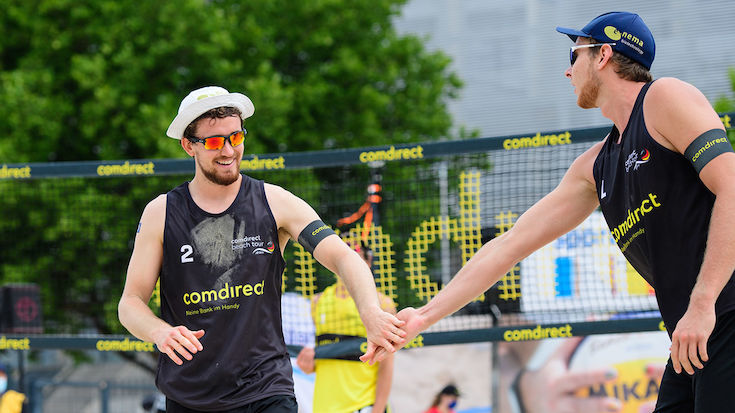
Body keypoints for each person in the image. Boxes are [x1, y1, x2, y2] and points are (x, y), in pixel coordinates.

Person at [361, 11, 735, 412]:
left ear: (604, 55)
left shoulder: (664, 98)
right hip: (693, 334)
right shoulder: (596, 166)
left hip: (720, 313)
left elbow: (732, 187)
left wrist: (702, 303)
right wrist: (423, 316)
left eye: (575, 55)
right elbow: (508, 245)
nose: (567, 70)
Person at [118, 86, 406, 412]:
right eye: (214, 142)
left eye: (236, 137)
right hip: (190, 394)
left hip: (265, 389)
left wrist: (370, 312)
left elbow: (343, 256)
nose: (228, 150)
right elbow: (130, 303)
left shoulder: (274, 201)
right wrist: (159, 332)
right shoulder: (162, 212)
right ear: (189, 145)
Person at [296, 240, 395, 413]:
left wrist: (378, 409)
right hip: (324, 406)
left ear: (368, 262)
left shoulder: (382, 303)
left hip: (363, 405)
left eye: (354, 255)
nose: (346, 260)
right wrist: (308, 364)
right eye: (342, 254)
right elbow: (316, 362)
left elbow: (386, 364)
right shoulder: (317, 302)